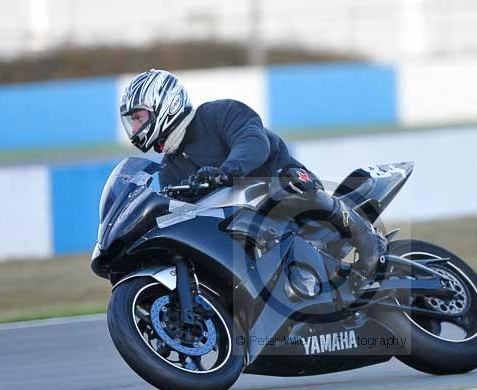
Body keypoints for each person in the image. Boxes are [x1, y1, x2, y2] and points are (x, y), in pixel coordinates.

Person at [119, 69, 387, 281]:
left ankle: (364, 235)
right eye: (132, 122)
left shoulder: (217, 113)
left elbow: (254, 142)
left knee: (289, 188)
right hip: (245, 222)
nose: (135, 128)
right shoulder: (169, 169)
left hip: (280, 185)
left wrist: (227, 171)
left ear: (167, 103)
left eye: (139, 118)